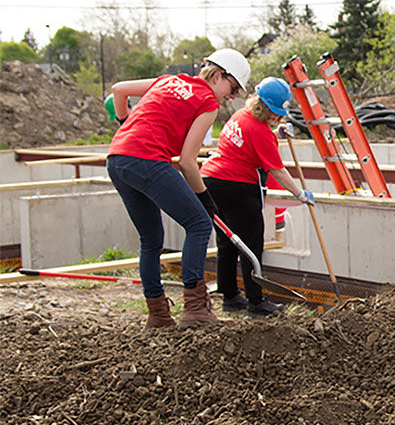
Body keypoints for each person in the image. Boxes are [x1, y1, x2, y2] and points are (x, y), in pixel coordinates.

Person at [107, 48, 251, 328]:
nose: (231, 97)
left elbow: (119, 90)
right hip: (147, 160)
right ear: (219, 74)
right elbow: (187, 161)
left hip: (118, 159)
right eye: (233, 88)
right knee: (198, 224)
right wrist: (204, 198)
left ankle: (158, 315)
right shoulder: (208, 101)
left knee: (150, 239)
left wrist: (126, 124)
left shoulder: (168, 80)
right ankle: (195, 308)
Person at [200, 77, 315, 316]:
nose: (276, 118)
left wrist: (276, 132)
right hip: (236, 187)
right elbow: (277, 170)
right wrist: (299, 193)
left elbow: (248, 141)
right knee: (251, 245)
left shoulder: (241, 116)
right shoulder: (261, 131)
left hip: (211, 182)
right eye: (273, 115)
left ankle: (230, 296)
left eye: (278, 116)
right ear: (262, 106)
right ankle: (256, 302)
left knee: (228, 243)